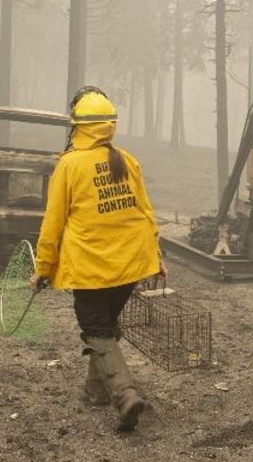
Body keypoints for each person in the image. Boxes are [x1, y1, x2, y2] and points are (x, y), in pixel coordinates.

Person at [30, 86, 165, 431]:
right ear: (109, 125)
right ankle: (95, 390)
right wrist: (156, 257)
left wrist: (42, 268)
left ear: (77, 126)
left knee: (96, 329)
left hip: (91, 267)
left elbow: (52, 223)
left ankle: (124, 394)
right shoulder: (127, 160)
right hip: (130, 263)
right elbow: (146, 213)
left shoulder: (69, 164)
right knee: (104, 326)